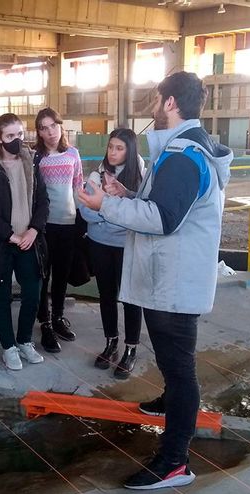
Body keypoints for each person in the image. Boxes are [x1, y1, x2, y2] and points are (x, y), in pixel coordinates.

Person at [78, 71, 233, 490]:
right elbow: (162, 206)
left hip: (175, 284)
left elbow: (163, 219)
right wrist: (125, 197)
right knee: (171, 361)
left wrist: (105, 204)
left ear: (169, 103)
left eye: (156, 99)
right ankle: (169, 403)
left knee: (181, 369)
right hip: (169, 277)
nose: (152, 105)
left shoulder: (184, 156)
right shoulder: (184, 150)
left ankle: (174, 462)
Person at [0, 113, 49, 371]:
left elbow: (42, 201)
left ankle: (25, 340)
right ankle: (9, 347)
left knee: (32, 293)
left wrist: (34, 230)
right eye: (10, 136)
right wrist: (10, 234)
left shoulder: (31, 161)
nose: (17, 140)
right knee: (1, 295)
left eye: (19, 134)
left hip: (28, 241)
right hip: (1, 242)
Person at [79, 128, 144, 379]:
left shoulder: (139, 176)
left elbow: (142, 210)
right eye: (110, 147)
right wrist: (111, 216)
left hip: (127, 245)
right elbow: (86, 209)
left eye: (120, 148)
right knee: (107, 295)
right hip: (100, 244)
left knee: (130, 298)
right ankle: (111, 343)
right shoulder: (97, 174)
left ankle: (131, 349)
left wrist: (109, 214)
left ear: (130, 150)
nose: (113, 153)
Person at [32, 108, 84, 354]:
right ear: (38, 132)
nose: (50, 132)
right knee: (43, 276)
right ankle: (45, 324)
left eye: (53, 125)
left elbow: (78, 188)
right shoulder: (36, 158)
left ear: (61, 126)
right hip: (44, 227)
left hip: (68, 225)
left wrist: (83, 220)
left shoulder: (73, 154)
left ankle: (58, 317)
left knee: (61, 275)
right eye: (43, 128)